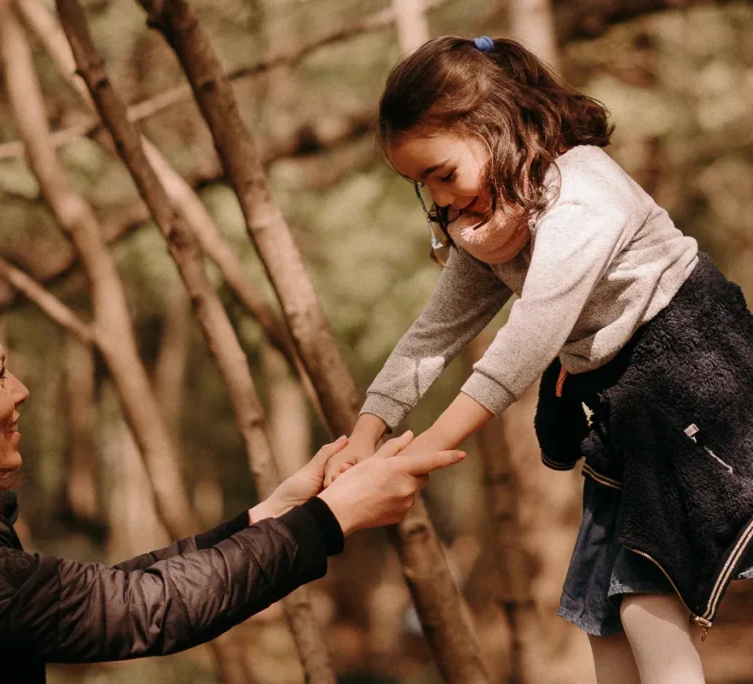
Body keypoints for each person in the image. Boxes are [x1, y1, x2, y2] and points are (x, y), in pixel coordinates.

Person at [0, 294, 464, 683]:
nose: (19, 391)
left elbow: (100, 591)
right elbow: (136, 613)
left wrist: (275, 512)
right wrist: (330, 522)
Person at [322, 35, 753, 683]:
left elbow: (527, 339)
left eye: (443, 173)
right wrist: (366, 433)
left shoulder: (583, 198)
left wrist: (421, 455)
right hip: (621, 404)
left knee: (643, 596)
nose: (440, 200)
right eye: (423, 187)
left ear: (494, 127)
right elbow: (432, 334)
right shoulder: (496, 219)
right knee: (600, 609)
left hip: (690, 376)